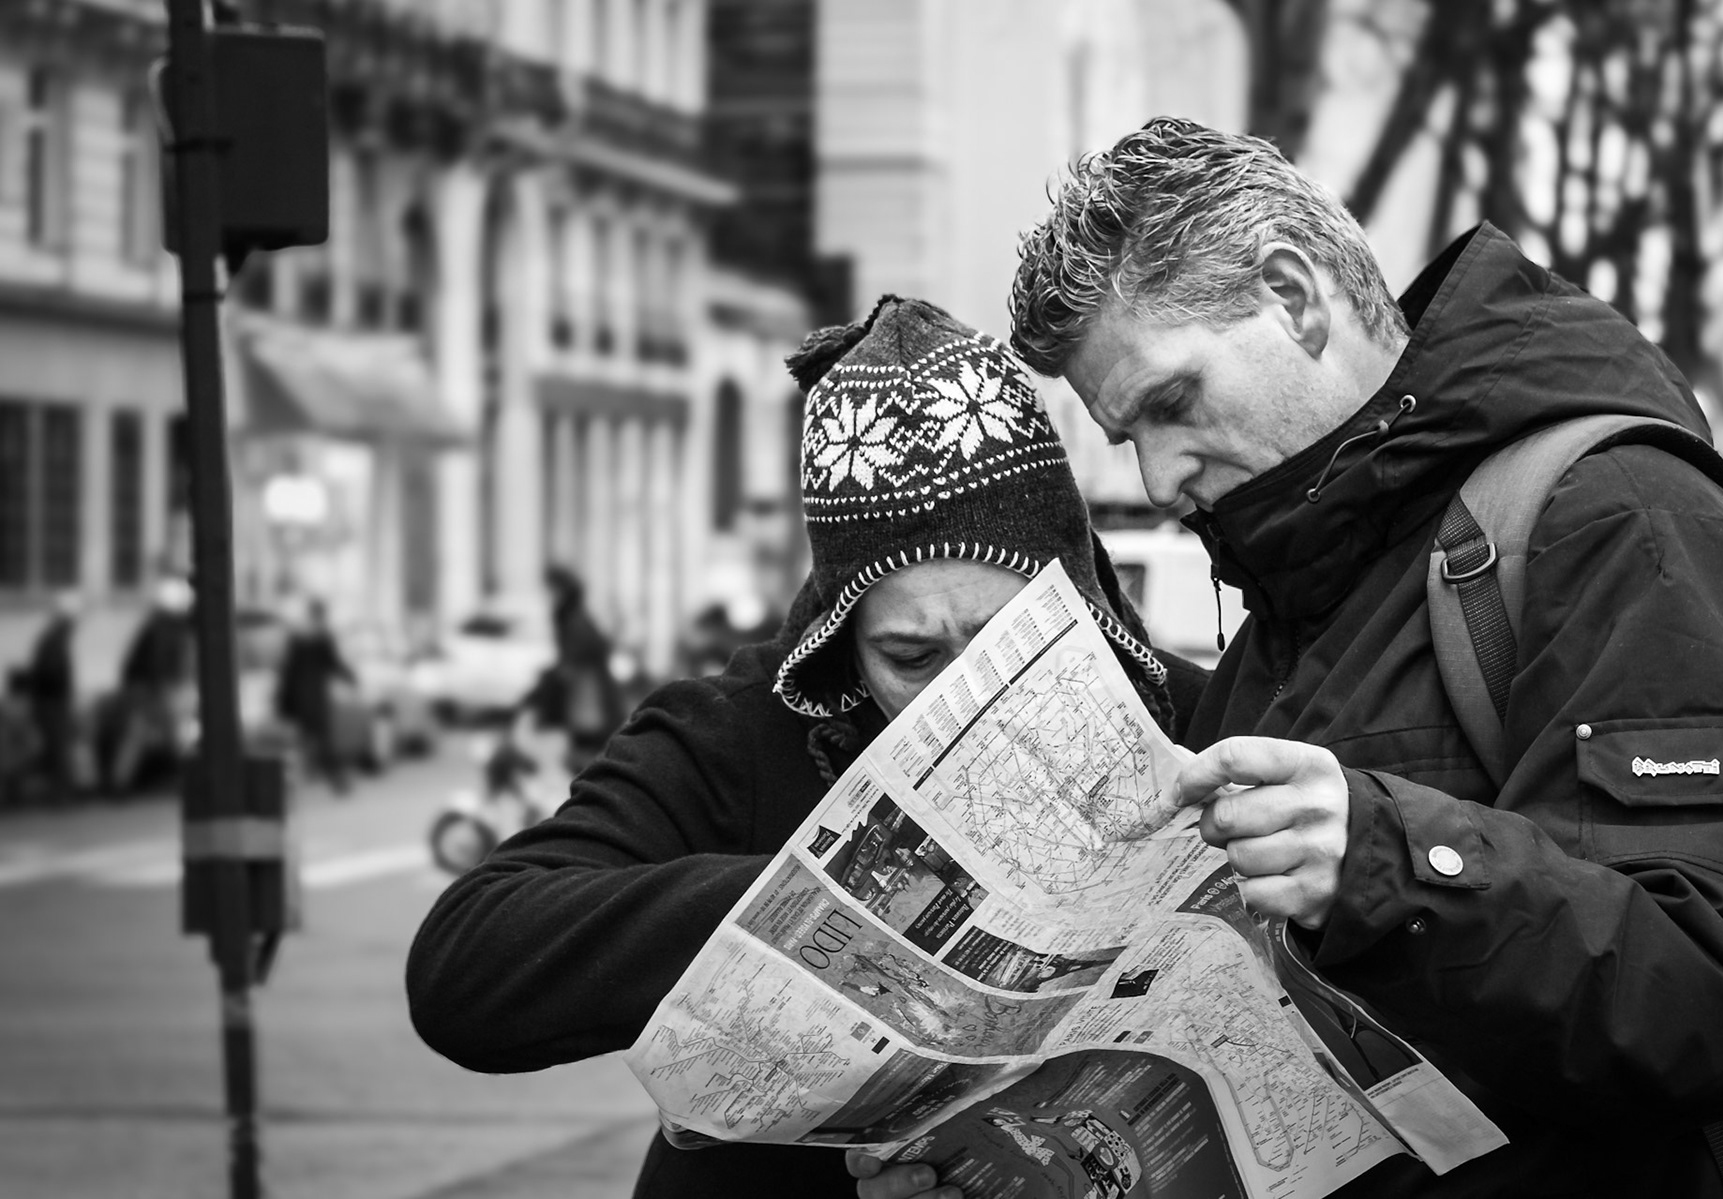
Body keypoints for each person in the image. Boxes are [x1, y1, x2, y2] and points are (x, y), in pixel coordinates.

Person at [853, 117, 1723, 1198]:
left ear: (1294, 295)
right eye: (1128, 436)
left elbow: (1717, 995)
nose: (1162, 476)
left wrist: (1386, 857)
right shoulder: (1295, 587)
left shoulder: (1621, 520)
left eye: (1171, 405)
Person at [406, 296, 1210, 1198]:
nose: (964, 693)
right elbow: (464, 972)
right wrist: (819, 908)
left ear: (1079, 607)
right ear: (843, 637)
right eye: (911, 656)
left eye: (1006, 640)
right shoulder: (737, 733)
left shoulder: (1192, 719)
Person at [107, 575, 196, 795]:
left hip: (145, 686)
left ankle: (120, 782)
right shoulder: (165, 627)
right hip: (153, 687)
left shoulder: (156, 625)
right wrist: (163, 688)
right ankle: (187, 778)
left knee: (141, 734)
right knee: (171, 733)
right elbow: (160, 661)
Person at [538, 564, 624, 773]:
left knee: (588, 754)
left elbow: (571, 664)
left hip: (588, 698)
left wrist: (555, 677)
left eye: (552, 590)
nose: (549, 596)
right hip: (586, 699)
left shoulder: (574, 620)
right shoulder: (575, 617)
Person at [276, 597, 357, 794]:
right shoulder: (322, 636)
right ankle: (338, 782)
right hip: (314, 697)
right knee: (323, 740)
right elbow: (334, 662)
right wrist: (351, 676)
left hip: (298, 696)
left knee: (302, 740)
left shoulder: (298, 635)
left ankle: (292, 783)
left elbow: (287, 669)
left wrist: (282, 698)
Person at [11, 592, 79, 802]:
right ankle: (60, 794)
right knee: (56, 748)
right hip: (51, 702)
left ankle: (56, 792)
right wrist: (62, 696)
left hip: (49, 700)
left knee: (51, 748)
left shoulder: (52, 640)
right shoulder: (54, 641)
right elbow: (51, 674)